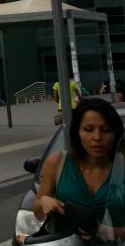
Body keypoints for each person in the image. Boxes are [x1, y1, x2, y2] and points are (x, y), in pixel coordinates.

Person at [33, 97, 124, 241]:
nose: (97, 137)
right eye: (88, 129)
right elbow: (37, 213)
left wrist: (107, 232)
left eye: (106, 130)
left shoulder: (122, 167)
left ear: (116, 133)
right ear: (77, 132)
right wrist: (43, 201)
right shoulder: (57, 162)